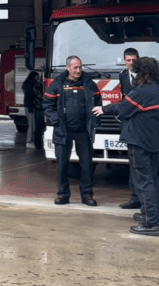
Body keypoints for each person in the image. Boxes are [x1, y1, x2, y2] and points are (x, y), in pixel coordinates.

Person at [94, 57, 159, 236]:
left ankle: (150, 221)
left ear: (141, 72)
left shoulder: (142, 91)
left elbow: (125, 108)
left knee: (144, 180)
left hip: (141, 141)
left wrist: (104, 109)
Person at [44, 55, 99, 206]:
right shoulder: (57, 84)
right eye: (75, 67)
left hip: (84, 132)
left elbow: (98, 104)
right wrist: (55, 120)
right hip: (63, 131)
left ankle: (87, 195)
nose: (78, 70)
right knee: (62, 164)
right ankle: (63, 195)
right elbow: (47, 104)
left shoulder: (89, 84)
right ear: (68, 68)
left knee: (87, 165)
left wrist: (95, 121)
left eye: (80, 67)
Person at [117, 48, 142, 210]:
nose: (131, 63)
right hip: (128, 122)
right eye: (128, 60)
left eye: (133, 60)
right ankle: (135, 197)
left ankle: (148, 202)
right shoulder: (122, 76)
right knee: (132, 161)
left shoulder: (145, 76)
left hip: (142, 122)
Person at [22, 71, 44, 148]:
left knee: (32, 125)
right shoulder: (30, 85)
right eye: (37, 77)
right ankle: (29, 141)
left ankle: (31, 141)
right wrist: (30, 108)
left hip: (30, 107)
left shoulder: (28, 84)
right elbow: (28, 98)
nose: (38, 78)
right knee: (31, 126)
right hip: (29, 108)